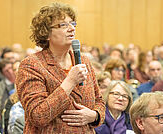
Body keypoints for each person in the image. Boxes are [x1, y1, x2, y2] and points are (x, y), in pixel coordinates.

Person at [15, 2, 105, 133]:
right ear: (46, 33)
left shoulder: (83, 60)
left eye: (72, 24)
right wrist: (69, 82)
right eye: (63, 25)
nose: (71, 29)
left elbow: (99, 100)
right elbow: (37, 115)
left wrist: (95, 116)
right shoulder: (31, 65)